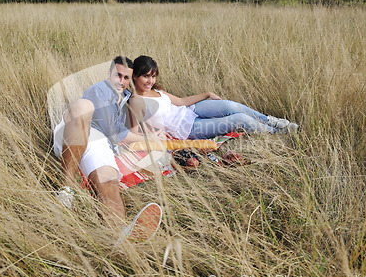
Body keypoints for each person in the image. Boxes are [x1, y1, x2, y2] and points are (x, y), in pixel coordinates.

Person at [53, 56, 163, 244]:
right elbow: (116, 134)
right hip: (75, 130)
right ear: (109, 74)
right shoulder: (100, 91)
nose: (121, 82)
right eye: (117, 76)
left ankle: (119, 236)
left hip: (99, 142)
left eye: (126, 78)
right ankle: (66, 190)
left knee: (109, 182)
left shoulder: (127, 96)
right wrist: (149, 139)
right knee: (83, 106)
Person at [128, 55, 299, 140]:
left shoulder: (157, 91)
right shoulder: (136, 101)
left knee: (230, 106)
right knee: (239, 119)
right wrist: (153, 136)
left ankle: (270, 120)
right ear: (135, 76)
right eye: (146, 76)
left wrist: (207, 94)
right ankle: (277, 132)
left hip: (188, 111)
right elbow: (133, 133)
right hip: (187, 128)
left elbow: (180, 102)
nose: (150, 81)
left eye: (154, 76)